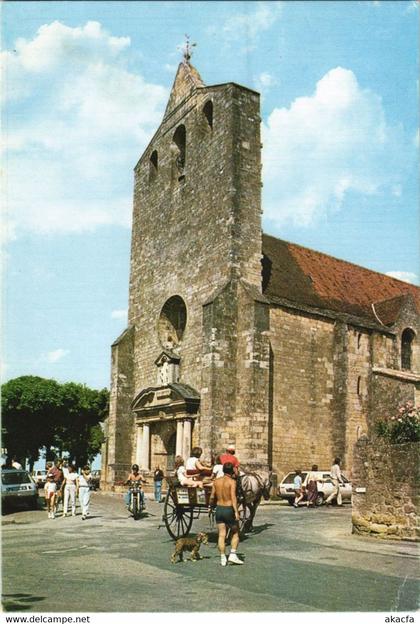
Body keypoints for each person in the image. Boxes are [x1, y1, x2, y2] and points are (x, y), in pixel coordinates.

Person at [209, 462, 244, 566]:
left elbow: (212, 497)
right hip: (228, 509)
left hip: (219, 509)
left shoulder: (216, 481)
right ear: (232, 471)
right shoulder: (232, 482)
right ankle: (233, 554)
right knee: (235, 532)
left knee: (221, 535)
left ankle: (223, 557)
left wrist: (210, 506)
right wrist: (236, 512)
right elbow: (233, 498)